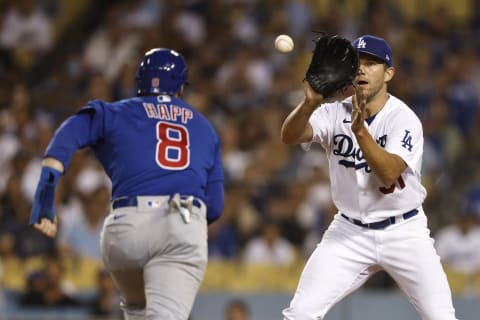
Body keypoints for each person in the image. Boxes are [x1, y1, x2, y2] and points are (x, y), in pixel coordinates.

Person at [28, 48, 225, 320]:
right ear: (180, 88)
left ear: (140, 82)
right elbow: (214, 207)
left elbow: (67, 134)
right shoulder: (205, 128)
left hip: (123, 229)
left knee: (138, 314)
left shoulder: (115, 112)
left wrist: (45, 196)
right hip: (180, 220)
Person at [280, 35, 457, 319]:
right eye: (357, 63)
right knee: (299, 313)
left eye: (372, 63)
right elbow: (289, 136)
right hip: (349, 231)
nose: (362, 69)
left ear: (389, 73)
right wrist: (309, 104)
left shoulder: (404, 118)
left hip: (403, 230)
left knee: (441, 317)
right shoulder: (334, 111)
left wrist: (361, 133)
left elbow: (388, 174)